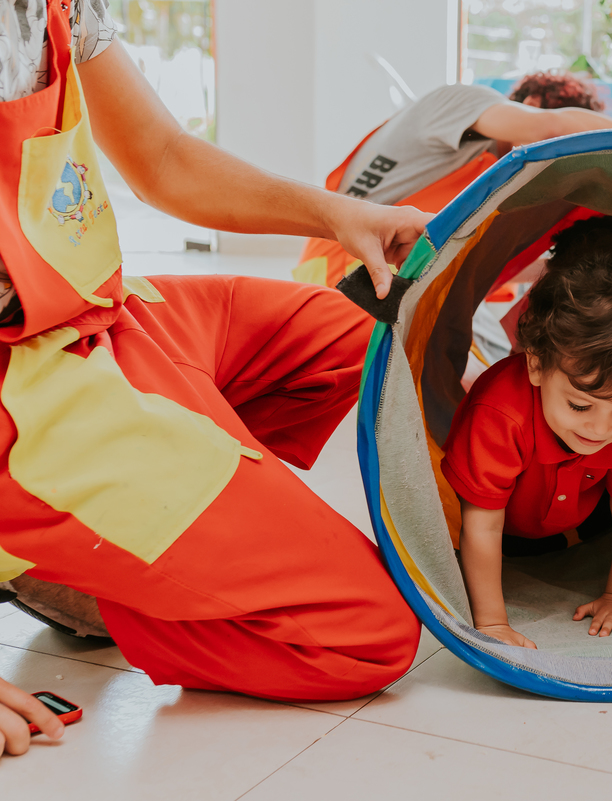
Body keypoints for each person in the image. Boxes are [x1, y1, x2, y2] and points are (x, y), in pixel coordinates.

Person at [0, 0, 432, 756]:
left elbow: (161, 157)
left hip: (100, 316)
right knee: (370, 635)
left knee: (367, 343)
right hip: (26, 400)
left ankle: (128, 531)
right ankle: (84, 566)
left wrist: (339, 216)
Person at [439, 217, 612, 649]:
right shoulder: (502, 414)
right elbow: (481, 525)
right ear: (536, 365)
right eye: (580, 404)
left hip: (580, 516)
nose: (601, 427)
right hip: (504, 525)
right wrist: (493, 623)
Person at [297, 72, 612, 288]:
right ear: (531, 104)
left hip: (374, 276)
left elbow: (486, 272)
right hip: (352, 273)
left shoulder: (495, 174)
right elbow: (550, 130)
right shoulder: (462, 101)